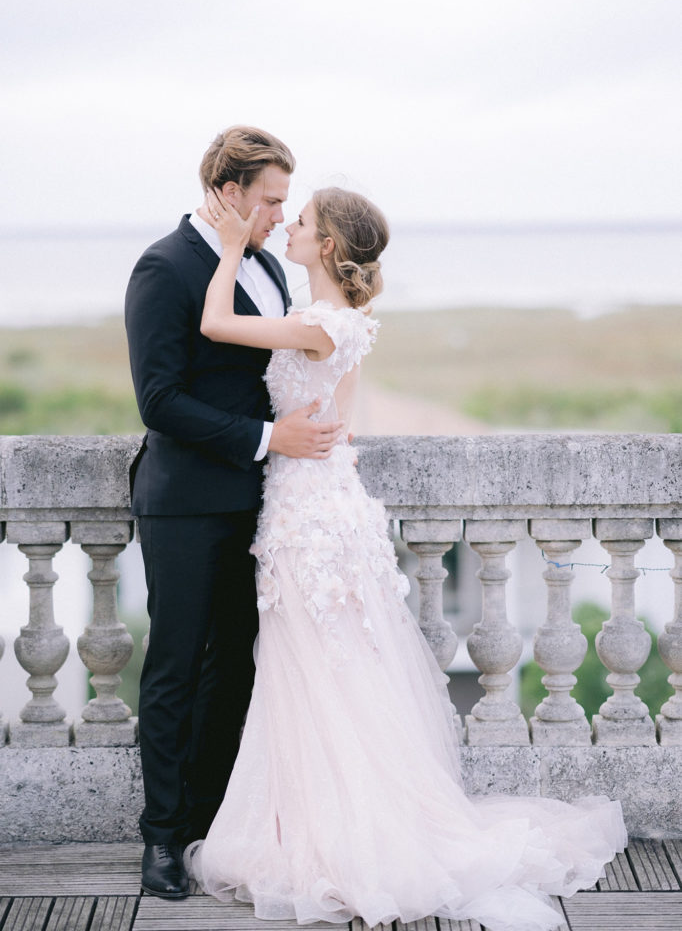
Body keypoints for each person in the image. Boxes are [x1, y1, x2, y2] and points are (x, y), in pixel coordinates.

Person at [184, 185, 627, 930]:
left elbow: (213, 323)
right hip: (324, 500)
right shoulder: (344, 322)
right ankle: (325, 827)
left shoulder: (320, 325)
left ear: (326, 245)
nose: (287, 227)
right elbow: (341, 422)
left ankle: (340, 839)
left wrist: (230, 248)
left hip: (309, 515)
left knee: (313, 668)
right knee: (320, 669)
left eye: (300, 222)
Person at [124, 126, 344, 900]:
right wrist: (267, 436)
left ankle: (211, 826)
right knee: (176, 665)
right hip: (184, 502)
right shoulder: (164, 266)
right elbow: (159, 400)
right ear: (226, 193)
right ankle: (159, 839)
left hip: (258, 502)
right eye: (269, 200)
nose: (280, 217)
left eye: (288, 202)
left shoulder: (261, 270)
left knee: (237, 667)